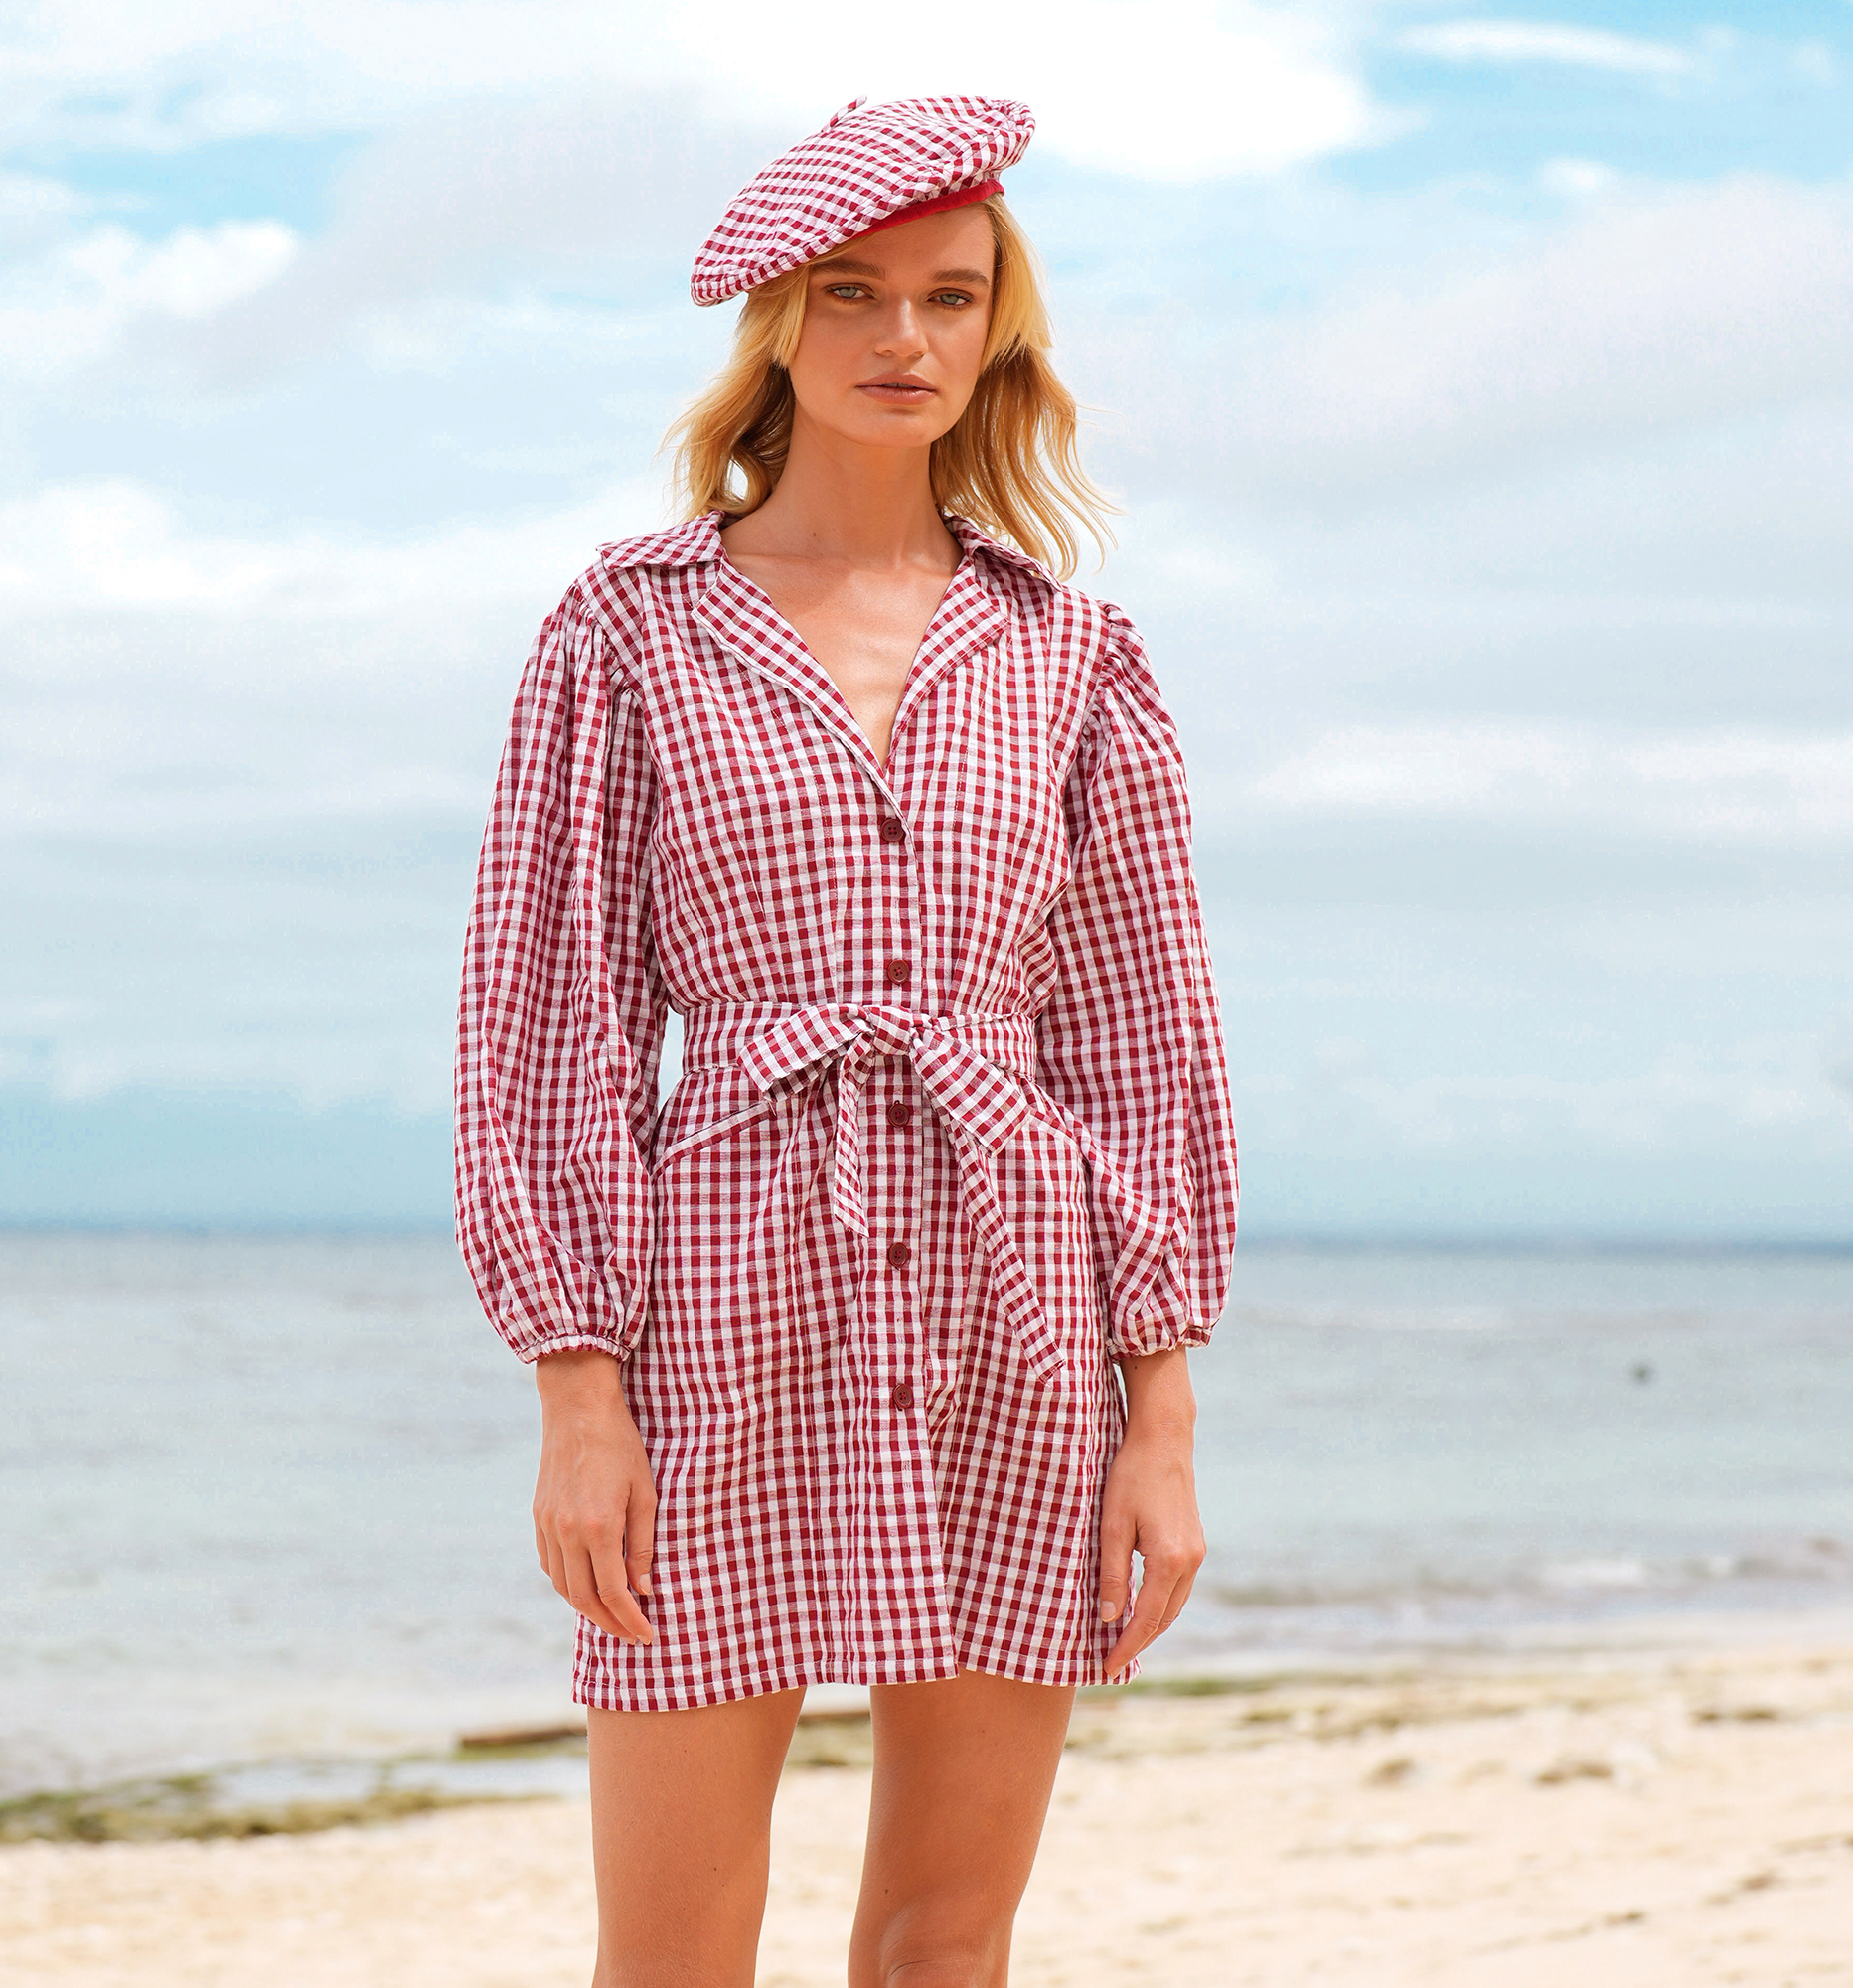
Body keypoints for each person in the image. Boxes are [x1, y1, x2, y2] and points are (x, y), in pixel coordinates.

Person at [455, 94, 1237, 1988]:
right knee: (672, 1956)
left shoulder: (1075, 659)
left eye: (952, 299)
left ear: (1001, 337)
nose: (905, 339)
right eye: (855, 294)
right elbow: (544, 1025)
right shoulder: (627, 635)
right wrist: (577, 1394)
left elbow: (1144, 1049)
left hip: (1017, 1322)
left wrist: (1164, 1418)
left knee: (940, 1949)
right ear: (776, 325)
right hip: (717, 1322)